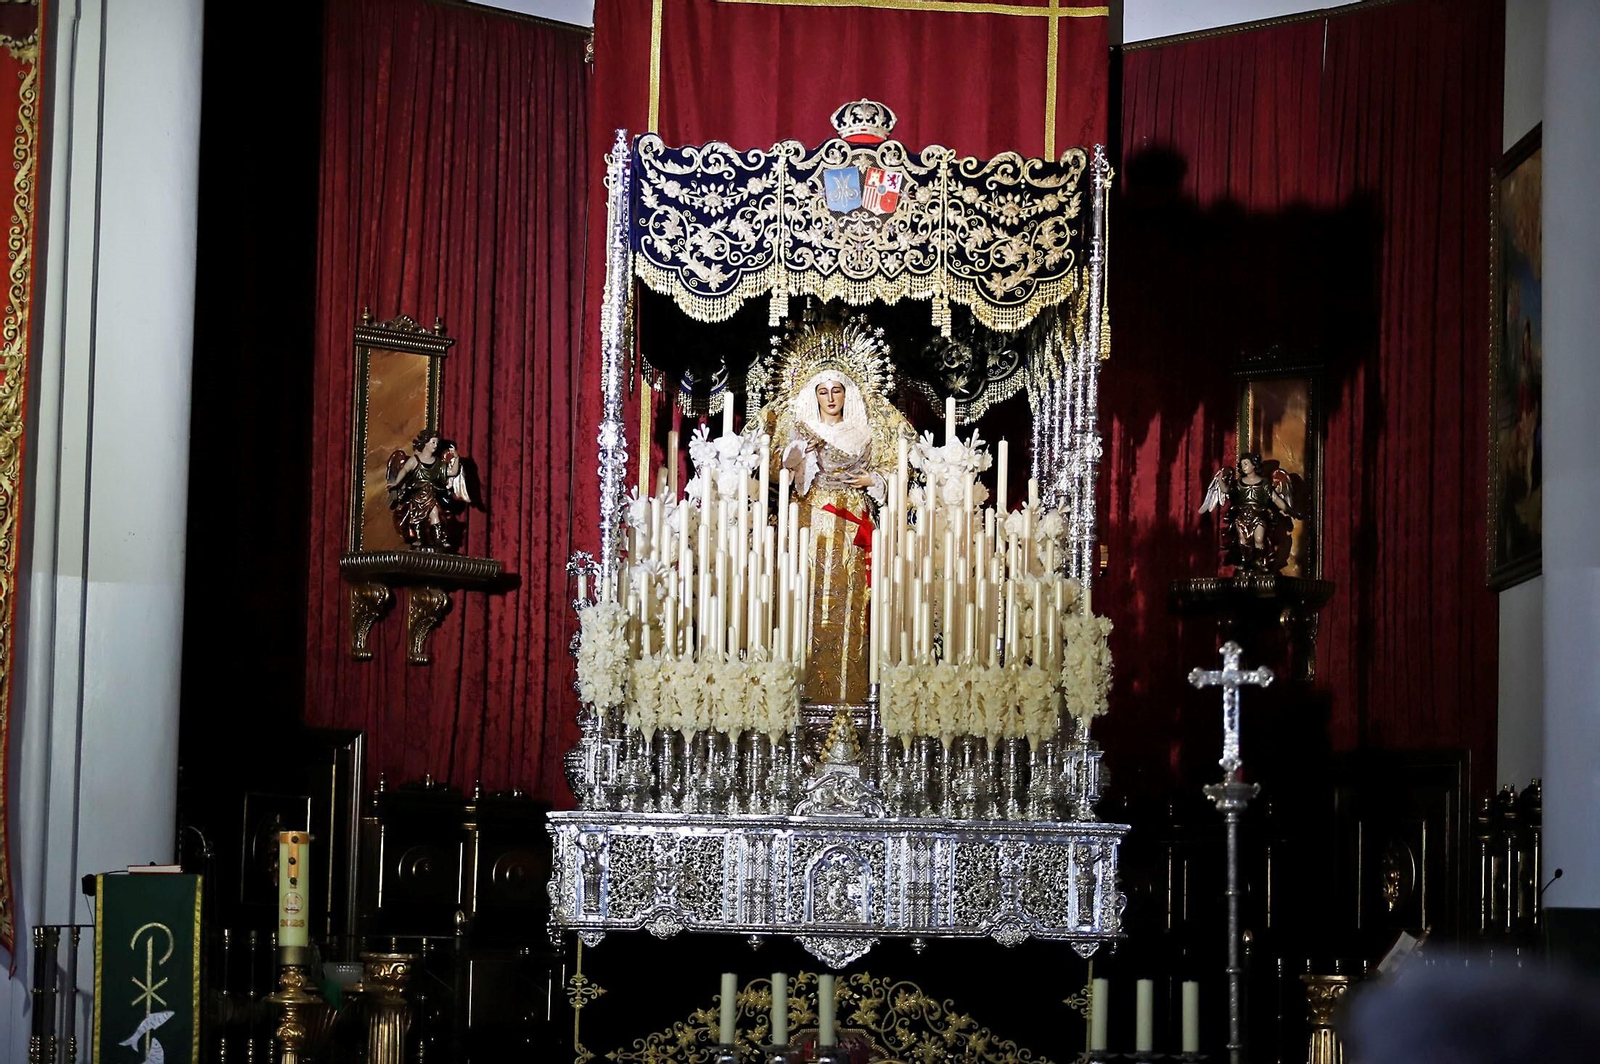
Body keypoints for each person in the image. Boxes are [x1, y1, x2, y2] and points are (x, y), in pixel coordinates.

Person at [781, 369, 891, 704]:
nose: (830, 398)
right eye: (823, 391)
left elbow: (892, 469)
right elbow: (785, 470)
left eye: (837, 391)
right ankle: (805, 692)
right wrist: (802, 452)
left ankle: (851, 695)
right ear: (814, 396)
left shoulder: (865, 433)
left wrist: (872, 481)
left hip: (852, 524)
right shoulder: (804, 432)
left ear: (847, 395)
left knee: (852, 600)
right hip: (813, 521)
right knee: (809, 598)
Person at [387, 427, 471, 551]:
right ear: (425, 443)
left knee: (435, 514)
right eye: (432, 442)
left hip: (432, 495)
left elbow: (453, 472)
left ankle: (438, 538)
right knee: (417, 518)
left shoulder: (438, 463)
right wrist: (396, 483)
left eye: (436, 443)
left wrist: (456, 458)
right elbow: (404, 470)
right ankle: (418, 538)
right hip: (417, 496)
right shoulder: (415, 460)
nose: (435, 445)